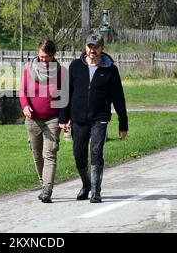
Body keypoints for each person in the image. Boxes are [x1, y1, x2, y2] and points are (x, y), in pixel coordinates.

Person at [59, 34, 128, 203]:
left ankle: (96, 191)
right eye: (90, 46)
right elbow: (66, 93)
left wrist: (123, 123)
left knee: (96, 151)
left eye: (96, 47)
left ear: (102, 49)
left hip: (100, 117)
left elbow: (119, 98)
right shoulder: (75, 66)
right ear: (85, 48)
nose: (92, 50)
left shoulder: (110, 69)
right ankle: (86, 184)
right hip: (78, 118)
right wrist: (64, 117)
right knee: (78, 154)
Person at [19, 40, 62, 203]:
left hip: (53, 118)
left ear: (53, 55)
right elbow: (23, 91)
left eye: (47, 57)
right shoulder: (29, 69)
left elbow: (65, 97)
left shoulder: (60, 72)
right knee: (37, 155)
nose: (43, 59)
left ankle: (47, 190)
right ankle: (42, 183)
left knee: (49, 154)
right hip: (32, 120)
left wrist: (65, 118)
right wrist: (25, 106)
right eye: (41, 56)